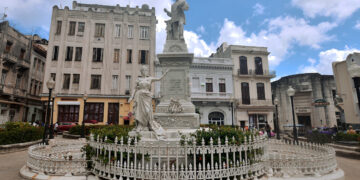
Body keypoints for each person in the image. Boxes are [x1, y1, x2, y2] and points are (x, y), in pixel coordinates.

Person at [128, 66, 169, 139]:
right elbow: (134, 89)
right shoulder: (138, 79)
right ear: (141, 71)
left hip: (147, 96)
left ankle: (147, 124)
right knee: (140, 111)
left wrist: (165, 73)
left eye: (146, 70)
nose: (144, 71)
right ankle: (141, 125)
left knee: (147, 111)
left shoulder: (150, 78)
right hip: (140, 96)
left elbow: (159, 79)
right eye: (143, 70)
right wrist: (131, 97)